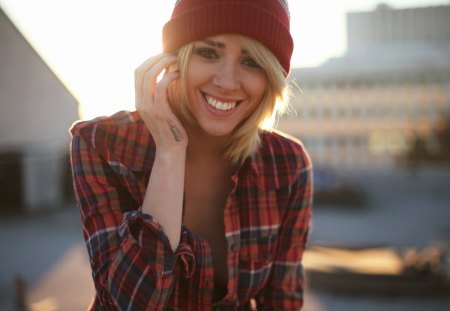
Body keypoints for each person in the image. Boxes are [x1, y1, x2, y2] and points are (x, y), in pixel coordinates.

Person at [70, 0, 313, 309]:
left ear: (271, 79)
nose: (226, 81)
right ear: (174, 60)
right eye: (208, 52)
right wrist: (170, 152)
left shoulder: (287, 163)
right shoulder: (102, 144)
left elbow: (282, 301)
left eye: (252, 62)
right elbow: (128, 304)